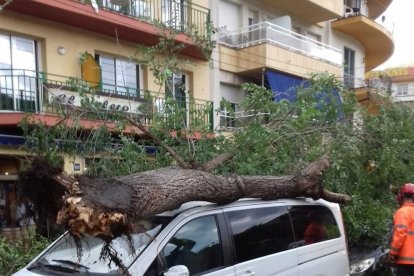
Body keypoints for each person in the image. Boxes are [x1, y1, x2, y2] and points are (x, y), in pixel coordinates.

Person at [389, 183, 414, 275]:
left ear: (402, 196)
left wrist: (392, 253)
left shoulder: (402, 212)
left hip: (406, 263)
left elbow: (400, 234)